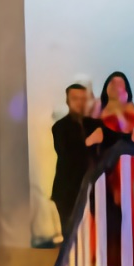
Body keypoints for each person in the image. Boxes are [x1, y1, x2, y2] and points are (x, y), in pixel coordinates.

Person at [50, 82, 107, 234]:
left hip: (93, 187)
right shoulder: (60, 127)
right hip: (68, 189)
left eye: (83, 99)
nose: (79, 103)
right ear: (67, 101)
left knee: (95, 233)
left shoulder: (94, 124)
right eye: (75, 98)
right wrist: (89, 142)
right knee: (71, 233)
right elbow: (65, 153)